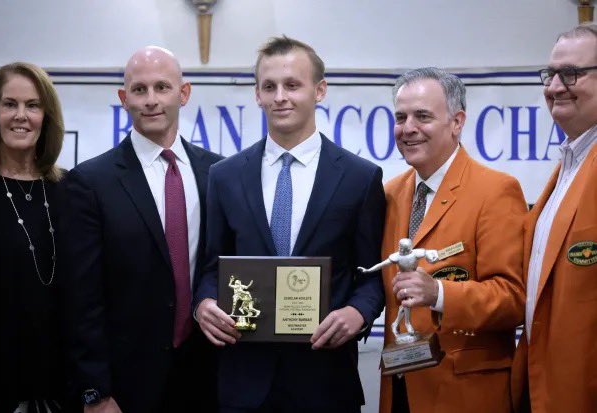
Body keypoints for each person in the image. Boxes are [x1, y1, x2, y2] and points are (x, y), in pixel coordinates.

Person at [194, 35, 386, 413]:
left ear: (320, 90)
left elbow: (371, 276)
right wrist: (203, 304)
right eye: (270, 86)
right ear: (257, 95)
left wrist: (358, 313)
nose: (280, 96)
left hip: (326, 382)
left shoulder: (359, 178)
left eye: (292, 85)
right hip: (244, 384)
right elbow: (211, 267)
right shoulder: (225, 176)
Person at [63, 46, 223, 412]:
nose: (151, 100)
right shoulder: (90, 182)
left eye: (162, 87)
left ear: (184, 94)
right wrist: (96, 392)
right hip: (125, 387)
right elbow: (81, 299)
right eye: (139, 90)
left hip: (208, 379)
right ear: (124, 98)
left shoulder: (219, 174)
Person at [378, 67, 526, 413]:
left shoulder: (496, 191)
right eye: (400, 117)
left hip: (465, 394)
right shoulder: (390, 193)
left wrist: (439, 294)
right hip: (399, 387)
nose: (408, 128)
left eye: (423, 116)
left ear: (457, 122)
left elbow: (514, 298)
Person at [511, 23, 597, 413]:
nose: (555, 87)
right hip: (542, 381)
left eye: (572, 74)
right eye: (551, 75)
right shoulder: (567, 164)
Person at [0, 62, 72, 412]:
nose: (21, 116)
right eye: (9, 104)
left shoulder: (69, 190)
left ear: (47, 116)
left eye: (32, 105)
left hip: (64, 389)